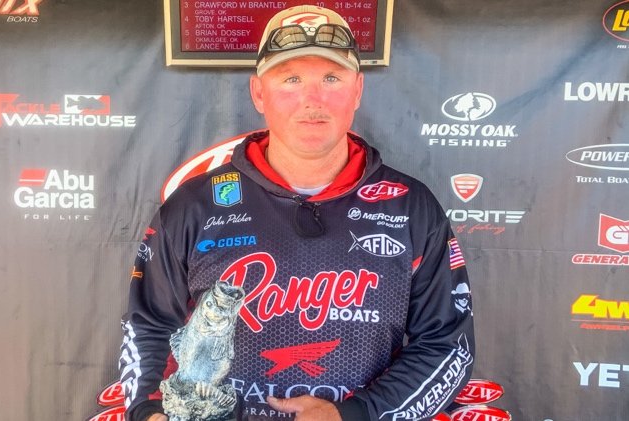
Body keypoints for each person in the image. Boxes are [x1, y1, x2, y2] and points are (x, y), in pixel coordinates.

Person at [119, 5, 474, 421]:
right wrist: (149, 412)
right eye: (290, 79)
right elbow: (148, 326)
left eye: (331, 78)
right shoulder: (193, 205)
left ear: (357, 90)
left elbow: (448, 345)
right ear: (258, 93)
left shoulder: (410, 207)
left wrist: (355, 414)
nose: (312, 99)